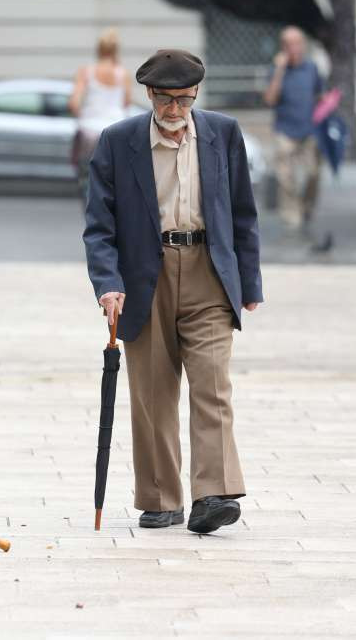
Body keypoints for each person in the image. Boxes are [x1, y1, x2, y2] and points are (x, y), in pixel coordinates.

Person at [83, 49, 264, 534]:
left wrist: (249, 282)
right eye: (165, 99)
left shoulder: (223, 133)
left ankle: (214, 494)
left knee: (212, 385)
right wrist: (108, 284)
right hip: (146, 276)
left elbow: (243, 212)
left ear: (196, 94)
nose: (174, 109)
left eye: (184, 100)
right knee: (153, 394)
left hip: (209, 271)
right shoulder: (118, 141)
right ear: (149, 94)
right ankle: (161, 499)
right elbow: (99, 226)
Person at [263, 26, 324, 230]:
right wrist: (280, 70)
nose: (294, 48)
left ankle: (306, 207)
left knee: (313, 173)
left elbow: (319, 95)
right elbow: (270, 100)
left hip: (309, 130)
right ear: (283, 47)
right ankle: (292, 215)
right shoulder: (276, 70)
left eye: (297, 43)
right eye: (289, 44)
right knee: (285, 177)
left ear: (303, 45)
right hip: (285, 131)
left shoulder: (312, 68)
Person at [68, 28, 131, 187]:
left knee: (88, 176)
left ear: (99, 49)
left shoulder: (86, 72)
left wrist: (83, 115)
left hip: (89, 130)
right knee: (114, 176)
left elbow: (74, 103)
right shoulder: (123, 74)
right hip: (116, 129)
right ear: (116, 50)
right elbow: (126, 102)